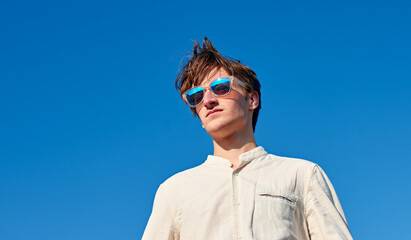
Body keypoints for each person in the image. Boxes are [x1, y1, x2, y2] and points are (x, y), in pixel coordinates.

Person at [142, 37, 353, 240]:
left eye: (220, 87)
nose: (207, 100)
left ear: (252, 99)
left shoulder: (303, 176)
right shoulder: (173, 190)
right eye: (196, 96)